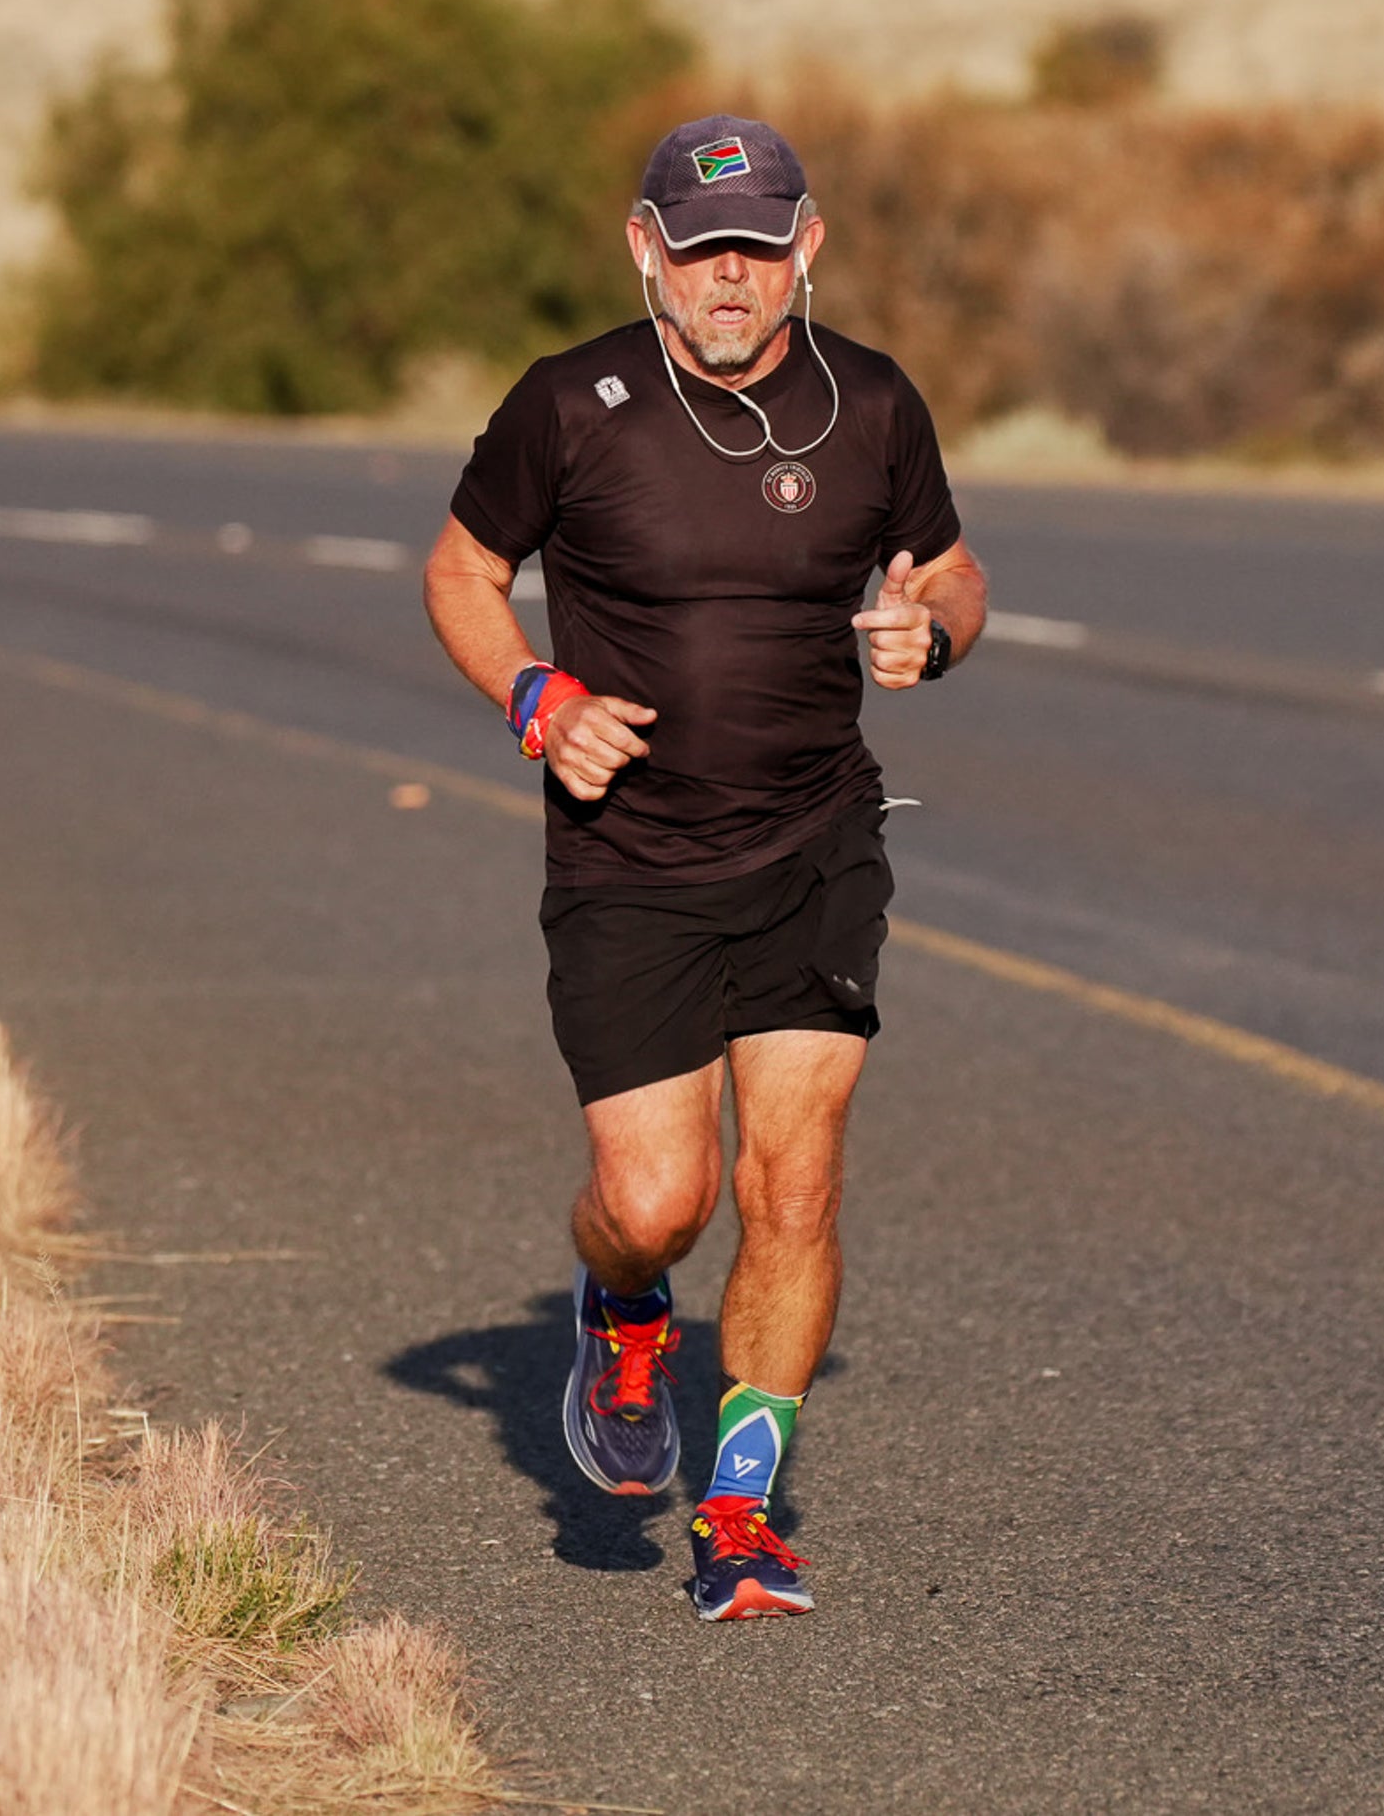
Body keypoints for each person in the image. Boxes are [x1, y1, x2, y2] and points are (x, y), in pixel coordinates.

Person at [422, 114, 989, 1621]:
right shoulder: (571, 405)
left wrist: (932, 627)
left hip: (816, 847)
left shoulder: (872, 405)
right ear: (645, 248)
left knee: (790, 1184)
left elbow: (948, 564)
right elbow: (462, 569)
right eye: (697, 249)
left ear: (806, 247)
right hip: (630, 865)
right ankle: (621, 1311)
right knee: (660, 1202)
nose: (726, 279)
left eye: (754, 248)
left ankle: (739, 1510)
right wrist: (536, 697)